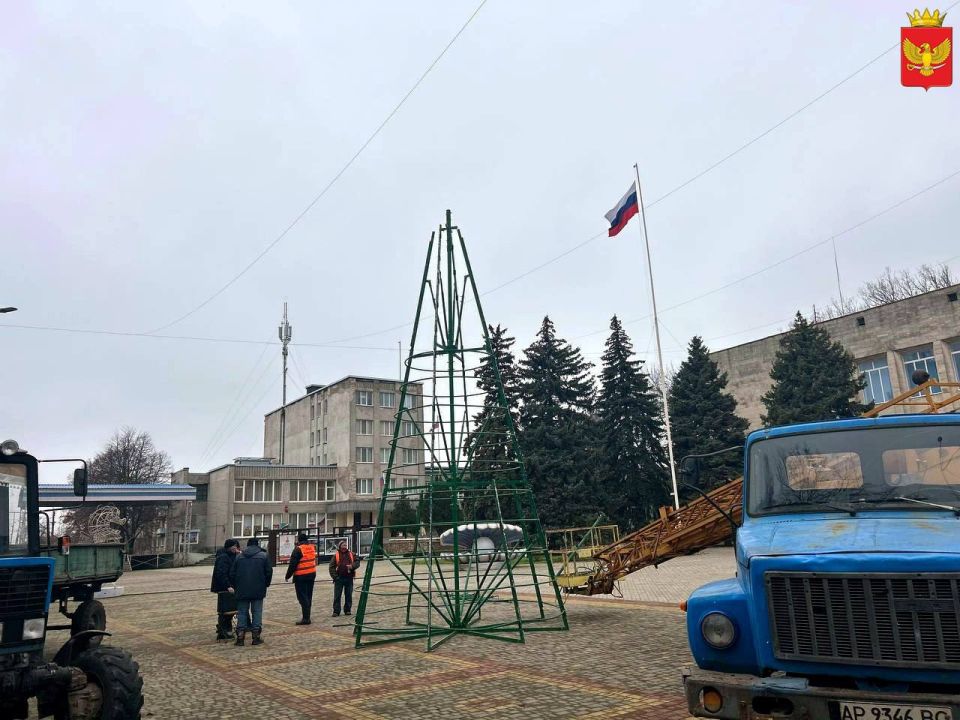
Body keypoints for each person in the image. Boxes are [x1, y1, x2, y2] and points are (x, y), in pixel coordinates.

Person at [229, 537, 272, 646]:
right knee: (257, 612)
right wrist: (265, 584)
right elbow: (268, 572)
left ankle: (240, 637)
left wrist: (236, 586)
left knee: (242, 612)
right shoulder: (263, 556)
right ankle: (256, 637)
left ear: (247, 545)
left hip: (242, 589)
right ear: (257, 545)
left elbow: (232, 574)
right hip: (258, 589)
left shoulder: (239, 557)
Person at [210, 538, 241, 641]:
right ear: (229, 547)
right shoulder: (223, 557)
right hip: (224, 588)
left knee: (228, 610)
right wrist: (228, 585)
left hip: (229, 587)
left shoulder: (232, 556)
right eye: (234, 547)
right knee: (226, 611)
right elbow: (221, 573)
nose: (235, 549)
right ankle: (224, 630)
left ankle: (223, 630)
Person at [284, 533, 317, 625]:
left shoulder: (298, 549)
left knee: (302, 597)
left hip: (301, 576)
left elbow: (292, 565)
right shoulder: (311, 547)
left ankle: (306, 618)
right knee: (308, 596)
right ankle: (307, 616)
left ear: (299, 540)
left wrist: (287, 576)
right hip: (311, 574)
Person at [329, 540, 360, 617]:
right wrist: (335, 577)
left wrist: (352, 566)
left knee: (348, 595)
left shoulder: (351, 554)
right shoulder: (336, 555)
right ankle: (336, 611)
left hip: (349, 578)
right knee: (337, 596)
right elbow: (331, 567)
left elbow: (357, 562)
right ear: (340, 546)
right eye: (343, 545)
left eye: (346, 545)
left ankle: (347, 610)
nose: (345, 546)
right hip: (339, 578)